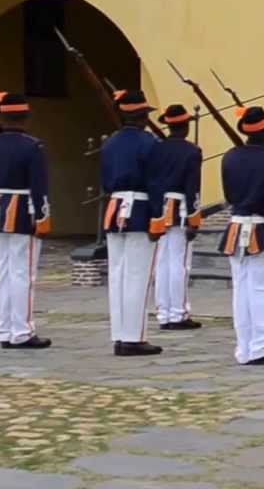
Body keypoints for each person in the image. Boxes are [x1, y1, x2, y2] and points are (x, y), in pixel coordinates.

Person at [219, 106, 264, 366]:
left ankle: (244, 347)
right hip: (261, 227)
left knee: (241, 291)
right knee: (262, 289)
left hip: (236, 225)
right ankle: (261, 346)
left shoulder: (229, 157)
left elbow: (229, 195)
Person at [0, 92, 53, 349]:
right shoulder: (33, 146)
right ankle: (22, 331)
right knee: (23, 273)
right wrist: (43, 216)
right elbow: (39, 186)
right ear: (25, 117)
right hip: (24, 209)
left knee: (4, 272)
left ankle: (4, 330)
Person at [101, 89, 162, 357]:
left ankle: (119, 334)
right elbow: (156, 182)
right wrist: (158, 215)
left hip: (115, 208)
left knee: (117, 275)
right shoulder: (150, 143)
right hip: (140, 209)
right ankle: (133, 337)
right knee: (137, 275)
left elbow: (105, 180)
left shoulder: (110, 143)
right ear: (142, 116)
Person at [146, 104, 204, 332]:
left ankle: (163, 312)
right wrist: (193, 218)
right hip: (180, 208)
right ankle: (178, 313)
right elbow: (192, 187)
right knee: (179, 264)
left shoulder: (156, 149)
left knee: (162, 263)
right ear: (185, 126)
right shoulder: (192, 151)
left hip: (159, 207)